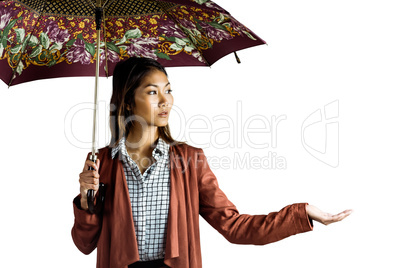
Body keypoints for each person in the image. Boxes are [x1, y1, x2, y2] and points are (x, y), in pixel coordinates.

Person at [71, 57, 352, 268]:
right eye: (152, 92)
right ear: (128, 102)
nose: (166, 101)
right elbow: (84, 244)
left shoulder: (189, 160)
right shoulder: (102, 162)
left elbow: (234, 226)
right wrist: (86, 199)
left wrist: (301, 213)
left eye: (168, 90)